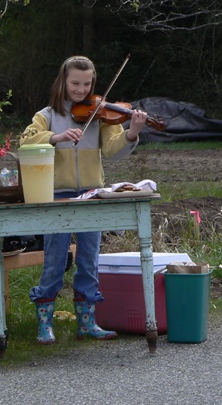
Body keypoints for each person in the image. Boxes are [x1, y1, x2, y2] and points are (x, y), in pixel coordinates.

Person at [19, 55, 148, 345]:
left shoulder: (100, 112)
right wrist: (56, 137)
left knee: (89, 260)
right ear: (63, 81)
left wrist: (132, 133)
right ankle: (45, 325)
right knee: (55, 259)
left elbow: (114, 149)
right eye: (75, 83)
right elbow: (26, 141)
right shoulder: (47, 115)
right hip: (57, 194)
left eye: (87, 83)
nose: (81, 89)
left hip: (92, 193)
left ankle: (87, 323)